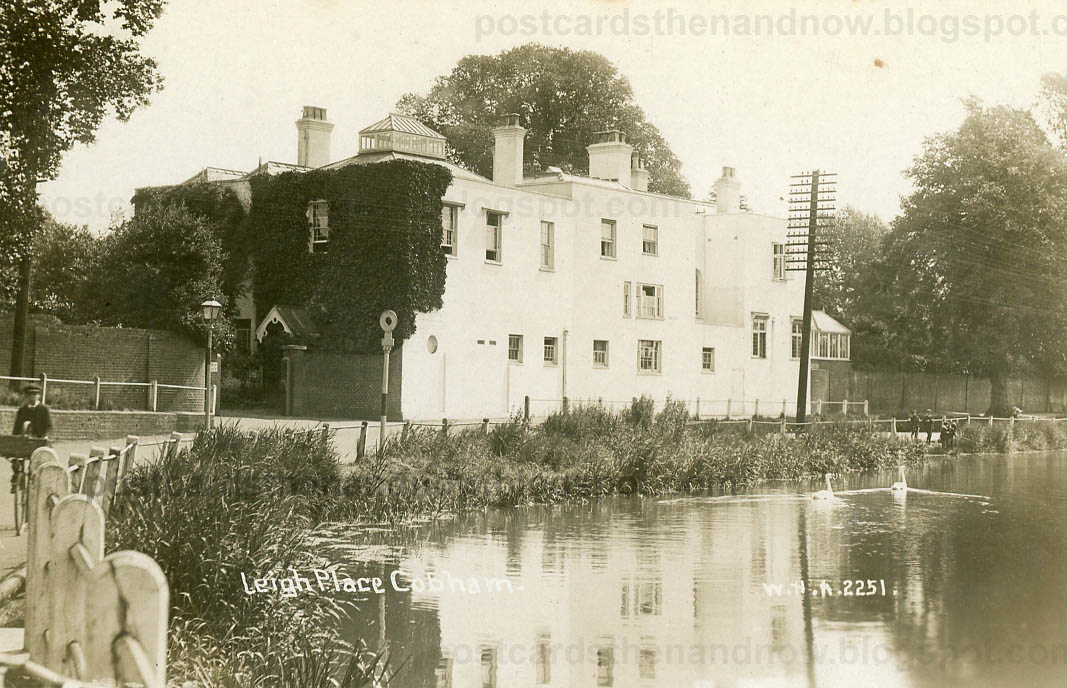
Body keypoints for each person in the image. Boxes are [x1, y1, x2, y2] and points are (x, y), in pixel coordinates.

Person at [11, 384, 52, 493]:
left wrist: (45, 436)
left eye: (35, 394)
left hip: (39, 440)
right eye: (29, 395)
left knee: (41, 460)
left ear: (38, 396)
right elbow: (16, 428)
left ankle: (38, 480)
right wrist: (15, 439)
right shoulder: (22, 410)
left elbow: (48, 426)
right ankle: (17, 477)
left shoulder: (44, 410)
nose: (32, 397)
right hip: (24, 441)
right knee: (15, 456)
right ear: (26, 397)